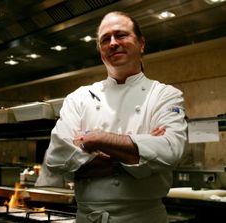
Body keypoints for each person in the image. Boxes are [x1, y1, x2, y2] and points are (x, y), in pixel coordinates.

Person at [35, 11, 187, 223]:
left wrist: (96, 139)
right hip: (88, 218)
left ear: (141, 44)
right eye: (105, 39)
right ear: (100, 51)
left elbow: (170, 151)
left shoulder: (164, 94)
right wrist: (138, 156)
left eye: (121, 35)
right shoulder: (78, 97)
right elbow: (57, 159)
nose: (113, 43)